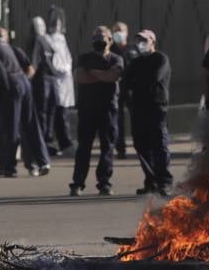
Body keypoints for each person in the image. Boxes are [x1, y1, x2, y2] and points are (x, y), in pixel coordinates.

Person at [70, 26, 123, 196]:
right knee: (84, 147)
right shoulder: (84, 58)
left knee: (107, 147)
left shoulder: (116, 59)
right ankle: (78, 183)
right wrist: (103, 75)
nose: (99, 40)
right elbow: (80, 77)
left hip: (108, 109)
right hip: (87, 109)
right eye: (96, 37)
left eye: (102, 36)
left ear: (110, 40)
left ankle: (104, 183)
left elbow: (113, 76)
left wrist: (92, 73)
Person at [126, 29, 172, 195]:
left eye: (144, 40)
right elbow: (126, 80)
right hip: (138, 108)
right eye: (139, 40)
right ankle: (150, 181)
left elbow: (154, 77)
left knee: (160, 145)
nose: (141, 44)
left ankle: (164, 182)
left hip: (156, 107)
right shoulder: (136, 62)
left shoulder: (161, 59)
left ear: (152, 41)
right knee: (141, 145)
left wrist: (135, 81)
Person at [29, 14, 73, 156]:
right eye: (38, 26)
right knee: (43, 112)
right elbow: (39, 61)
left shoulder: (46, 40)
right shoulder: (38, 40)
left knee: (51, 112)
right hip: (43, 81)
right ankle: (43, 143)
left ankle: (48, 140)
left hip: (51, 80)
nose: (41, 28)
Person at [0, 28, 28, 178]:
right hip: (9, 90)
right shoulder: (3, 48)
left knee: (9, 129)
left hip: (10, 90)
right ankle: (5, 165)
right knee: (2, 130)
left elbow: (1, 72)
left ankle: (9, 166)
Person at [8, 35, 50, 176]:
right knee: (17, 129)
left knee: (28, 127)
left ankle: (36, 163)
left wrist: (20, 83)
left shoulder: (15, 51)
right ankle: (20, 164)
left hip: (22, 92)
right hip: (11, 94)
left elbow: (30, 69)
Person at [110, 21, 132, 159]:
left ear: (127, 32)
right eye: (116, 30)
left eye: (121, 30)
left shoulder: (132, 49)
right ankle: (120, 149)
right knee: (117, 120)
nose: (119, 33)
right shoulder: (110, 49)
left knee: (137, 117)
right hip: (116, 89)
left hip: (131, 89)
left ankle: (142, 145)